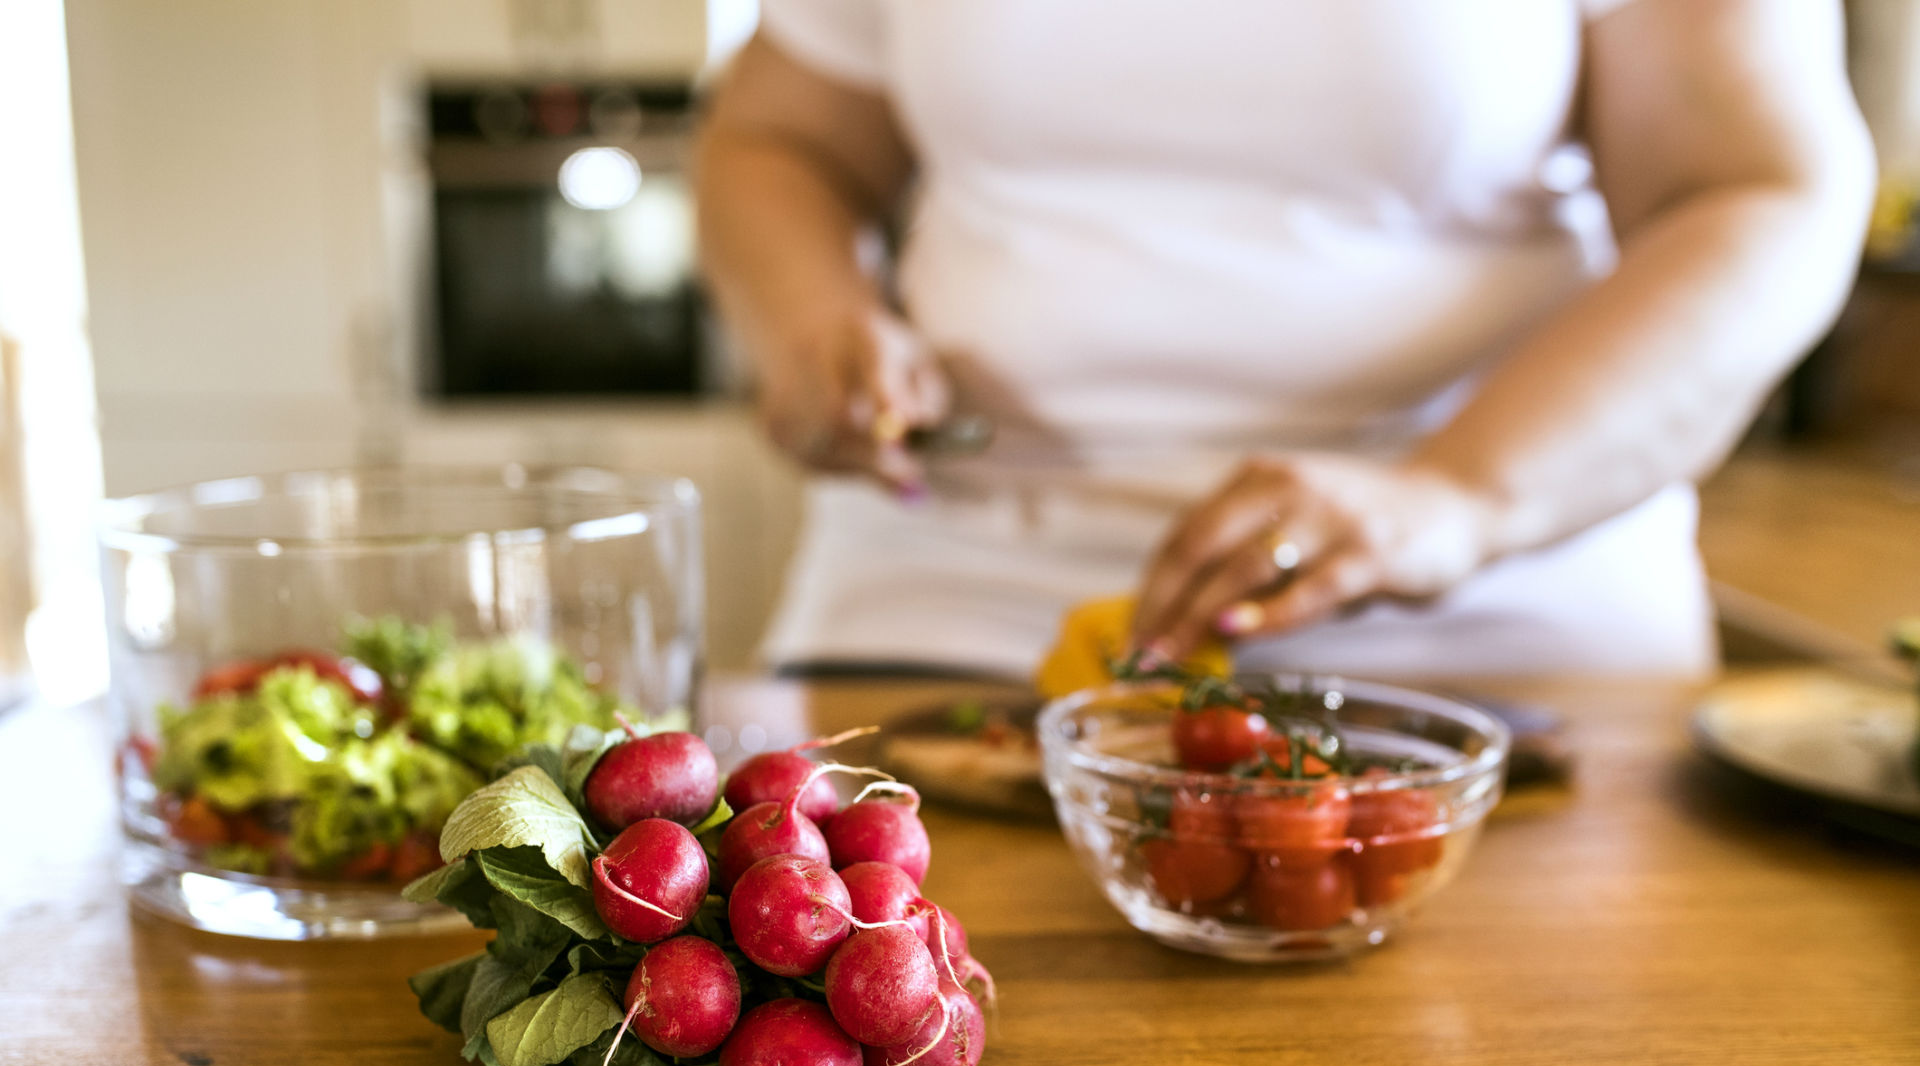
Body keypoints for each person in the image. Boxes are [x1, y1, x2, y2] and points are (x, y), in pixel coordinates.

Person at [695, 0, 1874, 680]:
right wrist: (808, 316)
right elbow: (779, 140)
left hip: (1497, 649)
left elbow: (1761, 192)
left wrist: (1458, 496)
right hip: (945, 613)